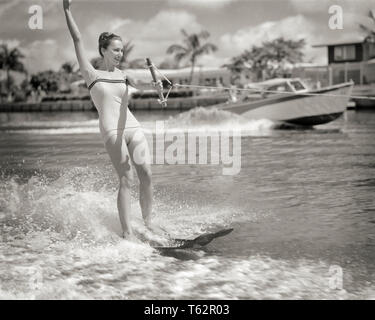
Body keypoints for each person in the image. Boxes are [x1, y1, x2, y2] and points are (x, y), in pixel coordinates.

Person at [63, 0, 162, 240]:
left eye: (122, 50)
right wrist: (66, 9)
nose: (120, 54)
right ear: (103, 50)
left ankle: (148, 223)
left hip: (132, 126)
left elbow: (141, 90)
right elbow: (77, 39)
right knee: (126, 178)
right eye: (116, 50)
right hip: (112, 131)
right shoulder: (91, 74)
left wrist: (157, 87)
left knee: (146, 174)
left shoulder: (124, 75)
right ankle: (127, 232)